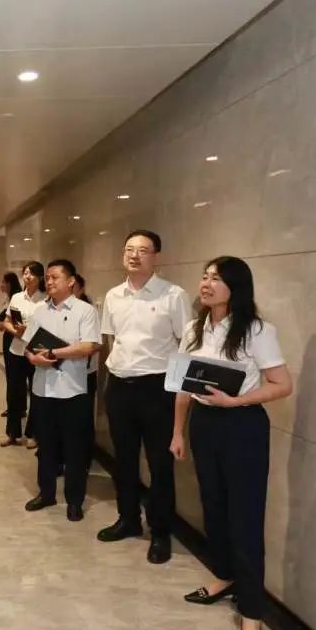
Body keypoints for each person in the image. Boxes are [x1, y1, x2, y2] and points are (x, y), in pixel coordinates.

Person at [170, 257, 291, 630]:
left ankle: (252, 616)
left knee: (245, 518)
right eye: (204, 276)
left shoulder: (257, 330)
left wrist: (236, 400)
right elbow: (183, 385)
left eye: (216, 279)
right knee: (214, 507)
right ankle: (223, 576)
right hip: (205, 426)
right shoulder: (194, 328)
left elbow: (282, 384)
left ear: (235, 287)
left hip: (243, 427)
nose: (206, 284)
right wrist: (177, 431)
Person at [97, 230, 192, 564]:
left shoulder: (173, 296)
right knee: (123, 459)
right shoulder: (113, 296)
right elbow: (112, 341)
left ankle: (161, 532)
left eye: (142, 250)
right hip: (120, 387)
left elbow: (186, 347)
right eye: (129, 249)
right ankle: (128, 519)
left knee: (159, 465)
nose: (134, 255)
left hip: (157, 389)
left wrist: (177, 392)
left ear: (156, 256)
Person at [22, 259, 100, 521]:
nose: (49, 281)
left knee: (75, 449)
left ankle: (74, 501)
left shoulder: (85, 311)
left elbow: (89, 346)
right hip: (42, 389)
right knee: (46, 447)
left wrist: (54, 353)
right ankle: (46, 493)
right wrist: (34, 357)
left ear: (71, 281)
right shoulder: (40, 311)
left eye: (55, 277)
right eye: (47, 277)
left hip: (73, 390)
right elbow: (27, 347)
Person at [0, 262, 46, 447]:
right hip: (16, 351)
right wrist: (15, 331)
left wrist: (30, 331)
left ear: (40, 277)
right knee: (14, 393)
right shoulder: (17, 297)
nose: (28, 276)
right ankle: (13, 433)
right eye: (25, 273)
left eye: (32, 273)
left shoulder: (46, 299)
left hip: (36, 352)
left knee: (36, 394)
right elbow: (7, 321)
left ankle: (34, 434)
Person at [75, 274, 98, 470]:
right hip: (62, 372)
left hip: (85, 373)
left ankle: (84, 458)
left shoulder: (89, 311)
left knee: (83, 417)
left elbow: (96, 344)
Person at [0, 272, 22, 419]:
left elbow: (5, 322)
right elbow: (0, 322)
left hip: (14, 338)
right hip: (10, 337)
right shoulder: (9, 299)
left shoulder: (16, 299)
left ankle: (15, 408)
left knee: (14, 376)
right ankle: (16, 407)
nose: (1, 285)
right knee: (12, 375)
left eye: (4, 282)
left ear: (10, 284)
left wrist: (3, 324)